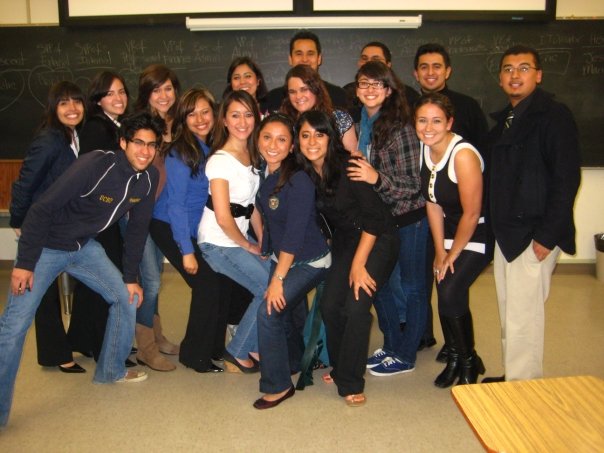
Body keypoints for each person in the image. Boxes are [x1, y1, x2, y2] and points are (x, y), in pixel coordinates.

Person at [0, 111, 164, 428]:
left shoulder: (148, 178)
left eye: (152, 145)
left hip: (83, 248)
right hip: (46, 248)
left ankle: (111, 370)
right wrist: (25, 263)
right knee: (13, 327)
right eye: (138, 143)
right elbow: (42, 208)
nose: (145, 151)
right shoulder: (96, 164)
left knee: (126, 298)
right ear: (123, 143)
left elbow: (136, 231)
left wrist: (130, 278)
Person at [483, 45, 581, 383]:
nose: (515, 75)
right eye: (508, 69)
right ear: (500, 78)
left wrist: (547, 236)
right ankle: (514, 376)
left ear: (538, 75)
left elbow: (567, 179)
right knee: (510, 310)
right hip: (507, 233)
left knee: (524, 317)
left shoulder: (554, 116)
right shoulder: (505, 121)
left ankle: (523, 388)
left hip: (534, 234)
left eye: (523, 68)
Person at [296, 110, 398, 406]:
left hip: (377, 238)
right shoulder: (306, 173)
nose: (312, 141)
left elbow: (374, 220)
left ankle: (351, 381)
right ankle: (341, 367)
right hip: (345, 242)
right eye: (305, 135)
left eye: (319, 134)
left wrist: (358, 265)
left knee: (355, 307)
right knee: (330, 306)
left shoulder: (351, 166)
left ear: (331, 137)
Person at [346, 61, 427, 376]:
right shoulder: (361, 125)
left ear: (389, 90)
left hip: (409, 219)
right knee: (380, 285)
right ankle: (392, 345)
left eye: (376, 84)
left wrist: (376, 178)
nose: (369, 89)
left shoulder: (400, 127)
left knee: (412, 287)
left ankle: (406, 355)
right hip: (382, 220)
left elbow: (413, 185)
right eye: (363, 83)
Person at [413, 43, 489, 357]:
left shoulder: (463, 155)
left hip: (475, 230)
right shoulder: (424, 148)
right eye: (421, 121)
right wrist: (439, 250)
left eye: (435, 121)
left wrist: (451, 253)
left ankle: (466, 358)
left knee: (449, 288)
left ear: (449, 122)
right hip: (447, 229)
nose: (428, 128)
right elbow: (432, 202)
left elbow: (471, 213)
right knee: (445, 285)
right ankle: (457, 353)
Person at [149, 88, 229, 373]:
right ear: (183, 118)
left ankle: (215, 349)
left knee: (218, 282)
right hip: (169, 225)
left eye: (205, 112)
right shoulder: (180, 151)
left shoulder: (212, 146)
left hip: (196, 227)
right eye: (192, 114)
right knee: (206, 284)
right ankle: (194, 355)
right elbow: (176, 206)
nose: (200, 119)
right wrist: (186, 251)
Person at [254, 113, 331, 409]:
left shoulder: (298, 180)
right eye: (267, 137)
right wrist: (265, 247)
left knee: (268, 312)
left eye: (281, 139)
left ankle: (278, 386)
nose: (273, 145)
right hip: (282, 256)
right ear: (258, 140)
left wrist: (278, 279)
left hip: (311, 260)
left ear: (291, 147)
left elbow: (295, 235)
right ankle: (293, 362)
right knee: (284, 315)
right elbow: (269, 217)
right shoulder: (266, 173)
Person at [9, 81, 86, 373]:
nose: (72, 108)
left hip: (61, 224)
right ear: (53, 107)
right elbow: (25, 183)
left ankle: (59, 349)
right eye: (64, 103)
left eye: (76, 102)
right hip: (40, 224)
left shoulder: (71, 135)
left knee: (45, 289)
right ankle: (57, 354)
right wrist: (18, 221)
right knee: (38, 293)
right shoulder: (49, 140)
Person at [198, 90, 268, 373]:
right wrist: (248, 245)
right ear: (224, 120)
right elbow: (224, 217)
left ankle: (253, 344)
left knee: (277, 280)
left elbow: (252, 207)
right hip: (218, 242)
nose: (242, 122)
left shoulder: (252, 154)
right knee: (267, 288)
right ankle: (238, 349)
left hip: (239, 237)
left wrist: (262, 241)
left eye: (248, 115)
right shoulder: (220, 161)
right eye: (235, 115)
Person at [67, 71, 131, 364]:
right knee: (106, 278)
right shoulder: (96, 127)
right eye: (110, 93)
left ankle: (83, 339)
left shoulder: (114, 124)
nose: (118, 98)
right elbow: (97, 174)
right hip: (99, 215)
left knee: (93, 277)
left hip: (104, 213)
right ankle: (100, 343)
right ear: (98, 99)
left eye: (122, 92)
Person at [133, 64, 182, 367]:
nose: (163, 95)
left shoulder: (178, 123)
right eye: (156, 90)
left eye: (168, 88)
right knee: (149, 280)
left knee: (154, 278)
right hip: (139, 213)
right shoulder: (140, 125)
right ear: (146, 94)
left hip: (162, 215)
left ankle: (157, 335)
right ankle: (146, 347)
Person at [280, 64, 357, 153]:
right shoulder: (285, 123)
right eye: (292, 92)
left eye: (304, 89)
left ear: (316, 89)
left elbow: (352, 157)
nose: (298, 96)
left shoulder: (339, 119)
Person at [264, 30, 347, 112]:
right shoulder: (273, 98)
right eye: (299, 54)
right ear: (290, 59)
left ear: (319, 59)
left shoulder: (338, 96)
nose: (304, 59)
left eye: (310, 54)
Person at [343, 41, 420, 123]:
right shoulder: (346, 91)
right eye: (364, 59)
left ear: (388, 65)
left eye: (376, 59)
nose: (369, 62)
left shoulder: (407, 95)